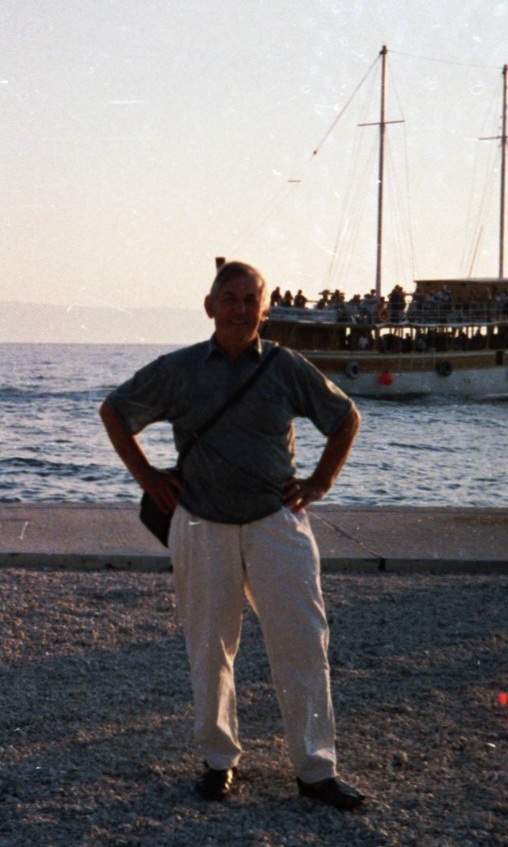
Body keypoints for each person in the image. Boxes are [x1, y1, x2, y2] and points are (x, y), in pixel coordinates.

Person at [99, 260, 365, 810]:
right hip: (200, 523)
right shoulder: (178, 370)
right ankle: (219, 761)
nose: (240, 309)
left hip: (275, 522)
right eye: (230, 298)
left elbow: (345, 418)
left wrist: (321, 481)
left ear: (265, 310)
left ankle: (315, 769)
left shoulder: (287, 367)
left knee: (302, 644)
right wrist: (148, 477)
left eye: (251, 299)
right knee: (209, 648)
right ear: (210, 305)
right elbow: (115, 411)